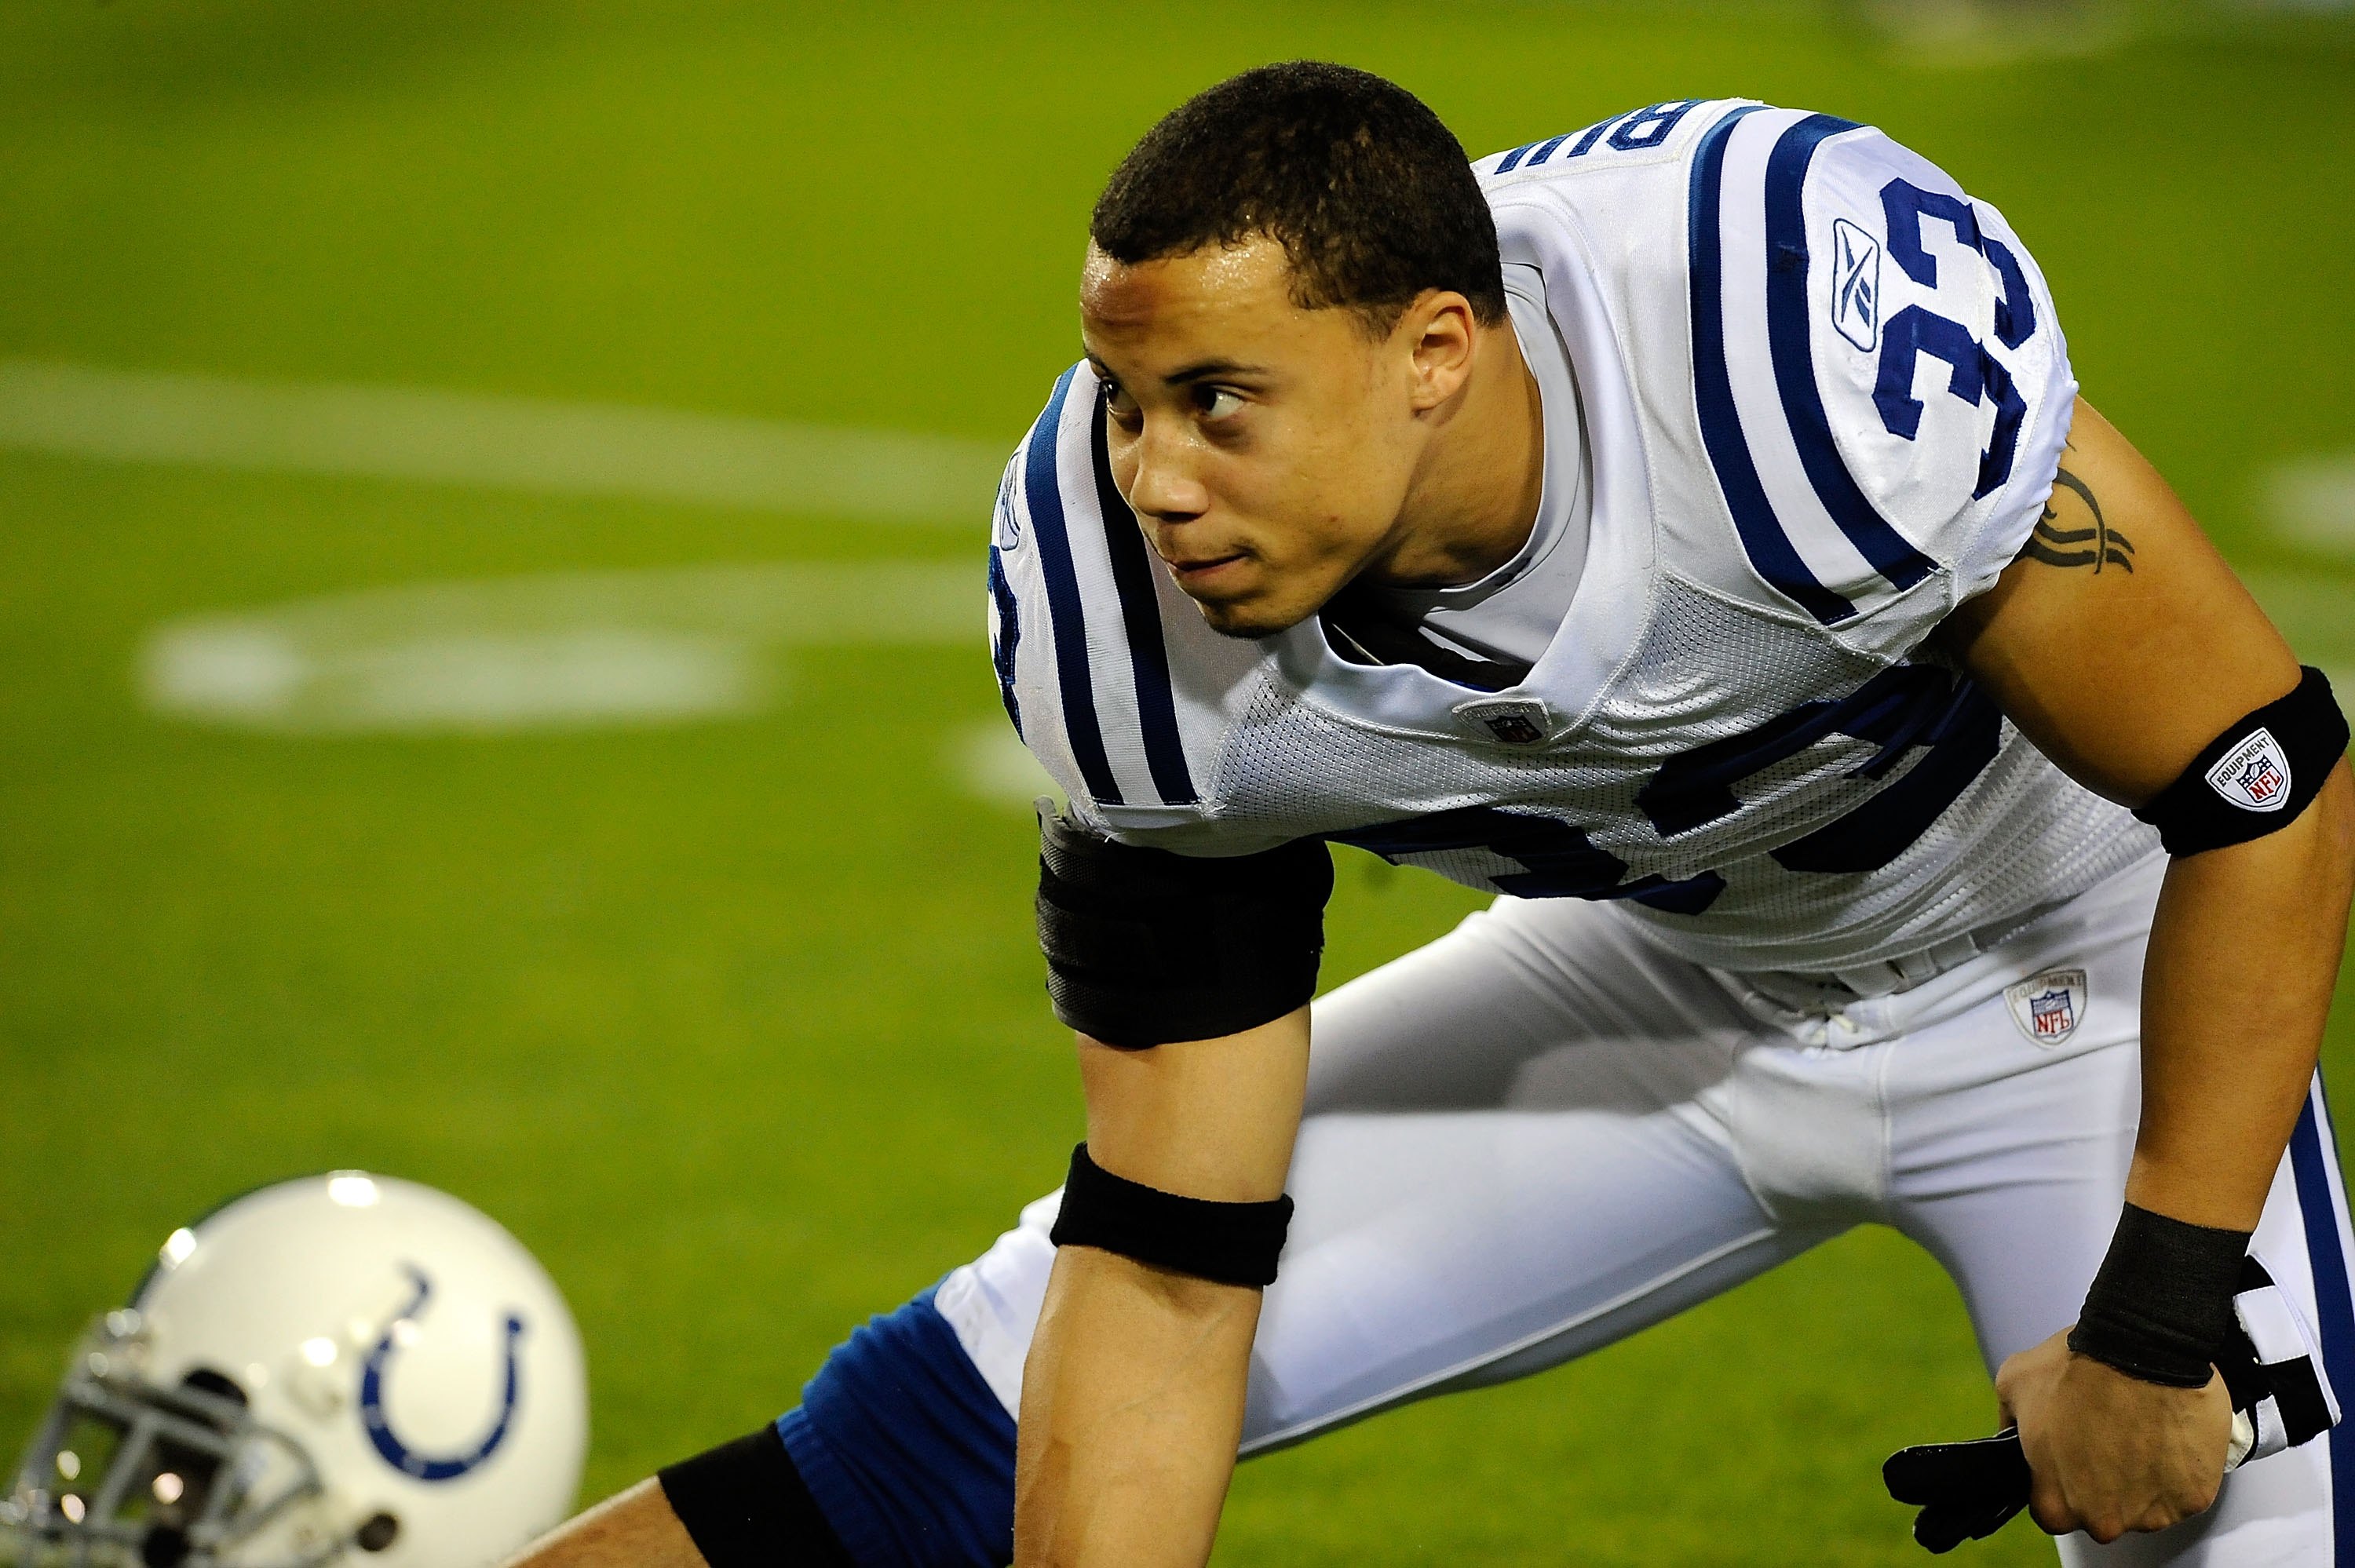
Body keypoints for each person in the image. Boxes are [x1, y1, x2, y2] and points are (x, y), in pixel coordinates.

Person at [504, 64, 2355, 1568]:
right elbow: (1161, 1266)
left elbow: (2261, 781)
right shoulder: (1108, 615)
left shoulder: (1782, 343)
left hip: (2077, 962)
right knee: (955, 1432)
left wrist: (2158, 1317)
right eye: (1123, 400)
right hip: (1665, 975)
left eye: (1218, 402)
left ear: (1438, 351)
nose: (1149, 476)